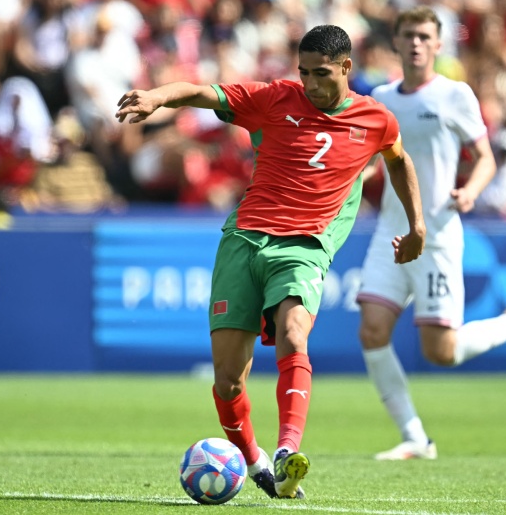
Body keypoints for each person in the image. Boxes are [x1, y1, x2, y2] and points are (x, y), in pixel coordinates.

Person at [117, 24, 426, 499]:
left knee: (294, 331)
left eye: (320, 73)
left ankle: (287, 452)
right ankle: (257, 461)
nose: (310, 83)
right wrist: (158, 97)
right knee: (226, 380)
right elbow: (202, 90)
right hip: (244, 241)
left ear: (346, 68)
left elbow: (399, 160)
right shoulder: (274, 98)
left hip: (303, 247)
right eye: (303, 72)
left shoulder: (375, 119)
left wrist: (417, 225)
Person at [355, 6, 506, 462]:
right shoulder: (383, 97)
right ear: (397, 41)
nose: (416, 43)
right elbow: (375, 158)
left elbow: (485, 156)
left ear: (439, 43)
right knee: (371, 330)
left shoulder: (454, 95)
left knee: (440, 352)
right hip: (391, 226)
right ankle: (415, 437)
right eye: (408, 35)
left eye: (425, 36)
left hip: (439, 232)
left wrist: (471, 190)